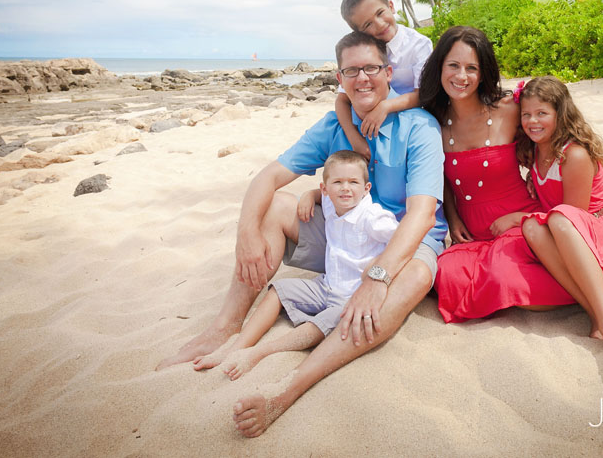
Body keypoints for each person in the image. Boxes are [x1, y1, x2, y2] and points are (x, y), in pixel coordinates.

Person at [156, 31, 447, 439]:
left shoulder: (418, 126)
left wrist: (377, 276)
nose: (362, 78)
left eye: (371, 68)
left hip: (399, 241)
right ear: (339, 77)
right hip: (343, 235)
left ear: (388, 72)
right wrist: (246, 237)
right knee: (273, 206)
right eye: (351, 71)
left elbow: (422, 214)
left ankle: (286, 389)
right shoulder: (333, 124)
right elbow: (269, 176)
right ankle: (225, 327)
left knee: (416, 274)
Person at [189, 150, 399, 380]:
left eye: (353, 182)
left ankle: (259, 352)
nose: (346, 188)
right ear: (325, 189)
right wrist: (310, 195)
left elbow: (401, 239)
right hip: (327, 286)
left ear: (366, 188)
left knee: (327, 322)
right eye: (337, 182)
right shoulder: (331, 203)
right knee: (278, 290)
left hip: (352, 296)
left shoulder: (373, 217)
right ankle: (236, 348)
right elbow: (321, 196)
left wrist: (378, 266)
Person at [418, 26, 577, 323]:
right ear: (439, 67)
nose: (461, 76)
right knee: (445, 276)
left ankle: (589, 291)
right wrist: (452, 219)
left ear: (484, 72)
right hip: (473, 233)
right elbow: (440, 178)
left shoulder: (510, 108)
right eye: (453, 65)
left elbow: (557, 130)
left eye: (471, 68)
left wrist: (538, 172)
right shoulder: (432, 121)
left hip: (518, 221)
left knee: (505, 276)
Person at [516, 76, 603, 373]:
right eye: (526, 114)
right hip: (570, 231)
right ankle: (595, 311)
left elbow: (575, 218)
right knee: (530, 227)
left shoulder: (574, 154)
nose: (533, 121)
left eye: (542, 113)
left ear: (561, 114)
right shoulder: (535, 149)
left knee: (556, 219)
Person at [335, 0, 432, 161]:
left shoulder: (418, 45)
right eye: (367, 24)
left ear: (391, 6)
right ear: (358, 32)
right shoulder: (364, 54)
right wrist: (353, 138)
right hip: (369, 124)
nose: (379, 25)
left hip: (408, 122)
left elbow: (424, 95)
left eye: (380, 13)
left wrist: (385, 107)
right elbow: (341, 100)